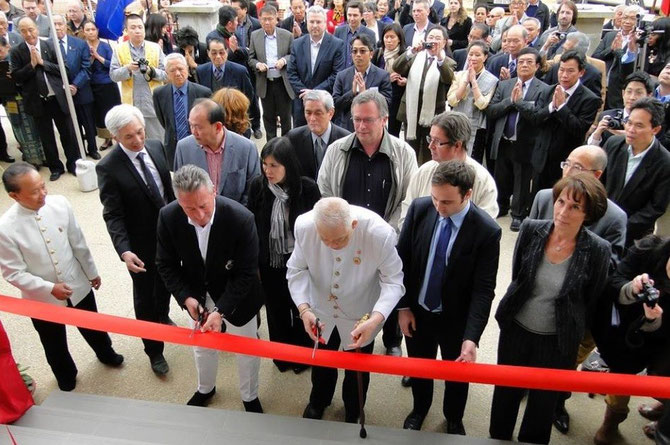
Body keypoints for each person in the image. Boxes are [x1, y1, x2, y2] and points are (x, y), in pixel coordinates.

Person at [490, 173, 611, 445]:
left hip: (558, 341)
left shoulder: (597, 250)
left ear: (588, 214)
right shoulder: (532, 228)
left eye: (575, 207)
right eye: (561, 202)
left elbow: (590, 300)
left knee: (542, 406)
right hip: (516, 330)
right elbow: (518, 278)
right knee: (505, 395)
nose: (563, 211)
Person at [529, 145, 628, 433]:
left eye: (577, 167)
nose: (567, 172)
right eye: (566, 163)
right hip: (536, 301)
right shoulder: (545, 197)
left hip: (576, 308)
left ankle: (558, 403)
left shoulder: (614, 217)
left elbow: (610, 271)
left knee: (563, 363)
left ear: (597, 175)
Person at [397, 160, 500, 434]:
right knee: (420, 367)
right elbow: (401, 261)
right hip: (417, 311)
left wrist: (472, 338)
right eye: (435, 199)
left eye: (447, 202)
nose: (439, 209)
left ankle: (453, 417)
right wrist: (403, 307)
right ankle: (420, 409)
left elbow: (483, 289)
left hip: (456, 319)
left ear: (467, 195)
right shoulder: (421, 209)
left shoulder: (487, 230)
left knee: (456, 376)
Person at [0, 163, 124, 392]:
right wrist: (49, 288)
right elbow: (13, 272)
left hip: (75, 280)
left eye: (43, 186)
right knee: (53, 340)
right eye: (34, 191)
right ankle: (65, 373)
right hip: (40, 298)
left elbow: (78, 243)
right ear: (14, 196)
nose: (43, 194)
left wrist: (91, 272)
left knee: (93, 323)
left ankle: (106, 353)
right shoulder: (5, 228)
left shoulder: (60, 204)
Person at [155, 165, 264, 411]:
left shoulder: (241, 218)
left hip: (239, 297)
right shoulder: (167, 216)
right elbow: (165, 264)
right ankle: (205, 388)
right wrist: (186, 298)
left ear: (213, 191)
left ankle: (249, 395)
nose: (199, 215)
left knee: (247, 348)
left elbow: (247, 273)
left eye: (203, 205)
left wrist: (221, 310)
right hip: (197, 295)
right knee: (202, 348)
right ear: (178, 201)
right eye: (189, 209)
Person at [286, 197, 405, 422]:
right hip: (319, 310)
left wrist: (377, 318)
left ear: (353, 225)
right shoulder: (304, 226)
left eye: (339, 239)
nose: (332, 245)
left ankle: (354, 409)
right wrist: (304, 309)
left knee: (358, 370)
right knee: (321, 362)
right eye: (325, 239)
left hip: (362, 313)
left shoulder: (380, 234)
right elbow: (296, 270)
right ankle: (318, 401)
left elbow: (393, 281)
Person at [96, 104, 174, 376]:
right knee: (145, 298)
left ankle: (163, 315)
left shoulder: (155, 146)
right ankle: (154, 350)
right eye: (130, 137)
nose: (138, 140)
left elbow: (168, 191)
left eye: (140, 132)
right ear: (116, 137)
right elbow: (113, 215)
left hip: (170, 236)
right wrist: (124, 251)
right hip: (141, 246)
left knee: (167, 283)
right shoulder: (108, 167)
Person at [247, 137, 320, 372]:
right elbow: (253, 226)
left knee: (300, 308)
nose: (268, 171)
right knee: (276, 310)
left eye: (274, 165)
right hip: (270, 261)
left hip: (300, 262)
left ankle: (301, 355)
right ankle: (281, 355)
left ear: (288, 164)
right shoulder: (257, 186)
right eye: (265, 164)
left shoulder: (307, 188)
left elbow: (318, 229)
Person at [591, 235, 669, 445]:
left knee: (654, 377)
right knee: (619, 368)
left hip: (656, 342)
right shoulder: (649, 248)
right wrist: (632, 289)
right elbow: (613, 281)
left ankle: (661, 412)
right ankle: (609, 423)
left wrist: (654, 321)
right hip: (618, 325)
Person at [318, 89, 417, 232]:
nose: (361, 126)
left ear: (384, 120)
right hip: (345, 237)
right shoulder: (335, 151)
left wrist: (386, 233)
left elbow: (408, 200)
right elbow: (324, 192)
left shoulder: (404, 154)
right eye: (357, 119)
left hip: (386, 240)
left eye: (368, 120)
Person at [399, 111, 498, 229]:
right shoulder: (423, 173)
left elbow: (485, 232)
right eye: (430, 139)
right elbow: (405, 219)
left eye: (437, 141)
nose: (430, 146)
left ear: (457, 145)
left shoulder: (482, 182)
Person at [10, 17, 80, 181]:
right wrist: (31, 65)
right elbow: (17, 77)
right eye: (24, 31)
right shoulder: (17, 51)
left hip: (56, 97)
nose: (28, 34)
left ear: (37, 28)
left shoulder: (50, 45)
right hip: (37, 101)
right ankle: (55, 167)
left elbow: (64, 69)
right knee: (46, 136)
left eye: (31, 29)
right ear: (20, 33)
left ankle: (73, 163)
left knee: (67, 134)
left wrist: (42, 63)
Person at [487, 46, 549, 230]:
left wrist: (520, 103)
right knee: (501, 176)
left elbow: (539, 115)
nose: (524, 65)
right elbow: (492, 110)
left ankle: (518, 214)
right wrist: (510, 102)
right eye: (521, 62)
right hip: (503, 139)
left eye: (529, 62)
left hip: (525, 141)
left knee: (522, 180)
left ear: (537, 66)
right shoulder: (505, 84)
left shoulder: (543, 89)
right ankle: (501, 206)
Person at [603, 97, 670, 247]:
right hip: (600, 223)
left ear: (655, 129)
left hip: (633, 237)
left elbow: (655, 207)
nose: (631, 130)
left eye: (639, 126)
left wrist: (619, 224)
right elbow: (599, 181)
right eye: (629, 122)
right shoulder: (613, 144)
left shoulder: (665, 162)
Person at [532, 50, 602, 192]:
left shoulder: (590, 99)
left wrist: (562, 107)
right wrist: (552, 107)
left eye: (570, 71)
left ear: (581, 72)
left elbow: (579, 129)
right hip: (541, 160)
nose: (564, 75)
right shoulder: (548, 91)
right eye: (561, 70)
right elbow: (535, 118)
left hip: (566, 164)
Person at [174, 98, 260, 205]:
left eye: (198, 127)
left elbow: (254, 192)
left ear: (218, 127)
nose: (193, 132)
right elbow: (180, 189)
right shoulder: (184, 148)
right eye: (191, 125)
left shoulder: (246, 148)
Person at [394, 25, 455, 164]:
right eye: (431, 37)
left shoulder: (448, 62)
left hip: (433, 113)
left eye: (438, 38)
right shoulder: (416, 57)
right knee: (410, 149)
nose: (433, 41)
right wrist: (411, 52)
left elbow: (447, 78)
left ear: (444, 42)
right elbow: (397, 67)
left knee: (430, 150)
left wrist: (439, 58)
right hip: (411, 111)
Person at [110, 13, 167, 142]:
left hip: (152, 102)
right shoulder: (119, 50)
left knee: (158, 140)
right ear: (126, 30)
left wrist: (151, 71)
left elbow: (166, 74)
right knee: (135, 141)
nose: (137, 31)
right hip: (132, 104)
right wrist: (128, 69)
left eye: (140, 27)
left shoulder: (155, 48)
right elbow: (113, 75)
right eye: (133, 27)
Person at [51, 14, 100, 161]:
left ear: (65, 25)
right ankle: (80, 151)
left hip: (82, 90)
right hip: (62, 93)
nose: (57, 27)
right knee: (73, 125)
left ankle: (92, 148)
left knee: (88, 123)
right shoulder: (48, 45)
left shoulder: (79, 44)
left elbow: (86, 68)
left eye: (60, 23)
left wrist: (75, 85)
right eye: (54, 24)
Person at [287, 5, 345, 127]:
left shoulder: (337, 45)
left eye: (318, 22)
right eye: (311, 21)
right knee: (301, 139)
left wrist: (314, 93)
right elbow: (291, 73)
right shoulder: (297, 44)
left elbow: (337, 74)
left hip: (325, 103)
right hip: (302, 102)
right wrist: (306, 94)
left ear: (325, 23)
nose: (314, 25)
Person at [153, 53, 212, 168]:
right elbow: (164, 121)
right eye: (172, 70)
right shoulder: (159, 94)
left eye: (180, 69)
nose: (178, 73)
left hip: (200, 145)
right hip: (173, 147)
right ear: (166, 73)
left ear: (187, 69)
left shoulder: (203, 93)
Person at [249, 5, 295, 140]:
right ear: (260, 20)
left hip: (282, 83)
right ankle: (271, 147)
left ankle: (286, 147)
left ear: (276, 19)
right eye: (264, 19)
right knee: (269, 119)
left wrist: (283, 61)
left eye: (270, 19)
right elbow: (250, 58)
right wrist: (258, 64)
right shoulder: (255, 36)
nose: (267, 22)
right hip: (265, 83)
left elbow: (293, 55)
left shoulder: (287, 35)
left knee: (286, 119)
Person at [285, 90, 350, 181]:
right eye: (308, 113)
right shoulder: (293, 138)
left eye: (318, 113)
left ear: (330, 113)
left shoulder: (346, 139)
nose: (312, 119)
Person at [447, 40, 497, 155]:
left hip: (476, 126)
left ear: (485, 57)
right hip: (457, 121)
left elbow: (482, 104)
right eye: (471, 54)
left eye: (477, 55)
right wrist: (465, 81)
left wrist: (474, 82)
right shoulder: (458, 75)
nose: (473, 58)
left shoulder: (492, 80)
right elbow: (452, 100)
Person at [332, 34, 392, 131]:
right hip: (347, 129)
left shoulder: (382, 76)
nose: (358, 55)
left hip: (373, 128)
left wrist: (366, 94)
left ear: (371, 54)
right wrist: (353, 93)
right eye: (354, 51)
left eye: (362, 51)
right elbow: (336, 105)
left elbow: (386, 104)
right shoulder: (342, 76)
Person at [0, 35, 42, 166]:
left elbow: (25, 76)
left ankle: (40, 157)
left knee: (33, 130)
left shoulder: (16, 58)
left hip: (24, 100)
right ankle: (29, 157)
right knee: (18, 129)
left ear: (7, 47)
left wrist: (14, 77)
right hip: (9, 102)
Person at [83, 21, 122, 152]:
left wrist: (98, 57)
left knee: (111, 111)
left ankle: (116, 136)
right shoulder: (83, 47)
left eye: (93, 29)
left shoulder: (105, 46)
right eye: (87, 30)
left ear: (97, 31)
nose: (90, 32)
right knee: (98, 113)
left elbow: (113, 64)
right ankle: (106, 138)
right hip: (92, 85)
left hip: (107, 84)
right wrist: (90, 60)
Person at [588, 71, 653, 148]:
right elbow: (590, 151)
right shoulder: (607, 116)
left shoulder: (650, 122)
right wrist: (597, 134)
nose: (632, 97)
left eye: (638, 93)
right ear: (623, 94)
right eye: (629, 92)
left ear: (649, 96)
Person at [591, 6, 639, 110]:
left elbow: (628, 70)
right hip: (601, 88)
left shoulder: (638, 42)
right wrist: (611, 50)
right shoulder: (610, 35)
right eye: (625, 17)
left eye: (632, 18)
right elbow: (595, 57)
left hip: (618, 93)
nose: (627, 21)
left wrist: (619, 52)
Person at [542, 32, 605, 105]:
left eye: (566, 50)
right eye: (562, 70)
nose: (564, 75)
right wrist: (546, 46)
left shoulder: (593, 74)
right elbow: (543, 68)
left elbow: (594, 103)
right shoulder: (556, 66)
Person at [371, 22, 406, 137]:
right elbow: (372, 76)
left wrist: (404, 81)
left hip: (398, 99)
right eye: (386, 37)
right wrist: (386, 78)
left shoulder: (404, 55)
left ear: (399, 39)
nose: (389, 40)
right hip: (380, 97)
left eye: (392, 37)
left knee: (393, 132)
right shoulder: (378, 54)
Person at [333, 1, 376, 68]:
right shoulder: (339, 31)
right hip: (341, 75)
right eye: (349, 15)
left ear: (362, 16)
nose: (352, 18)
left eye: (355, 15)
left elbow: (372, 59)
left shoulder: (370, 34)